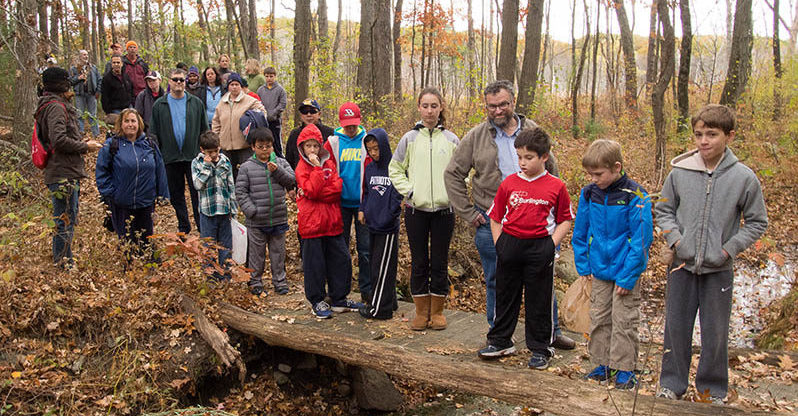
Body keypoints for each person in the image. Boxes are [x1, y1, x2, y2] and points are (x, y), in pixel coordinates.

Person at [444, 80, 575, 350]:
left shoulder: (534, 131)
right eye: (492, 106)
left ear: (513, 103)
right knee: (496, 281)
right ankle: (499, 336)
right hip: (493, 222)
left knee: (542, 282)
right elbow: (453, 174)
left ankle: (550, 333)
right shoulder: (476, 137)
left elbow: (554, 174)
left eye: (503, 104)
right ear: (486, 107)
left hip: (539, 225)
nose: (498, 110)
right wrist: (469, 213)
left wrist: (554, 229)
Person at [655, 104, 767, 404]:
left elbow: (757, 222)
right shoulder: (680, 172)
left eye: (712, 134)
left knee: (715, 333)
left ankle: (711, 389)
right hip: (681, 266)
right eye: (699, 134)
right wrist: (676, 241)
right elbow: (663, 210)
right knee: (676, 328)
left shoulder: (743, 177)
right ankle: (671, 385)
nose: (704, 141)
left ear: (729, 136)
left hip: (719, 269)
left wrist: (729, 248)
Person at [477, 127, 573, 370]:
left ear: (544, 157)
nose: (522, 162)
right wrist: (500, 243)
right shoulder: (509, 184)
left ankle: (541, 348)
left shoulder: (556, 186)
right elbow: (496, 216)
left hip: (540, 246)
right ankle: (500, 340)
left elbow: (564, 219)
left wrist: (551, 244)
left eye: (528, 157)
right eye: (519, 156)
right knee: (505, 294)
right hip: (510, 243)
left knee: (539, 298)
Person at [572, 139, 653, 390]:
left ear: (616, 167)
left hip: (624, 271)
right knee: (599, 318)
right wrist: (583, 264)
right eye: (590, 174)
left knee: (624, 320)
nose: (594, 178)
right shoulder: (589, 193)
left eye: (599, 174)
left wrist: (629, 276)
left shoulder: (636, 196)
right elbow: (581, 230)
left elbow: (641, 240)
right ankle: (602, 363)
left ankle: (625, 368)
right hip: (599, 269)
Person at [389, 88, 460, 330]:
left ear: (441, 108)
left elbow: (463, 171)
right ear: (419, 108)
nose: (430, 111)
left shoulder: (451, 140)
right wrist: (409, 191)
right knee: (419, 261)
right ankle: (421, 311)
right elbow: (395, 168)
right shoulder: (409, 138)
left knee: (439, 261)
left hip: (444, 211)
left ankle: (438, 311)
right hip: (415, 210)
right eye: (425, 105)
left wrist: (453, 192)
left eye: (434, 106)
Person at [36, 67, 103, 268]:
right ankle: (64, 264)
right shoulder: (56, 106)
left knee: (66, 218)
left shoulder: (52, 104)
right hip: (62, 173)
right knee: (65, 220)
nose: (70, 85)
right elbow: (58, 140)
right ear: (60, 85)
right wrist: (85, 147)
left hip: (63, 171)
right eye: (67, 81)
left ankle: (65, 260)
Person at [296, 124, 364, 318]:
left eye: (315, 146)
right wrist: (317, 170)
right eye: (308, 146)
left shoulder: (329, 163)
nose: (312, 150)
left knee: (340, 260)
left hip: (332, 222)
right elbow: (310, 190)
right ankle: (317, 301)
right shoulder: (302, 167)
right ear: (302, 147)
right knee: (315, 264)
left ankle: (339, 299)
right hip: (312, 224)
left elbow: (337, 188)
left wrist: (318, 191)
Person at [95, 108, 169, 259]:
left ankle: (148, 270)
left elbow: (160, 170)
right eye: (126, 121)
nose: (130, 124)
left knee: (146, 239)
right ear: (120, 124)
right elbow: (101, 171)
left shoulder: (149, 144)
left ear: (139, 123)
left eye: (133, 121)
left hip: (146, 202)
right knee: (127, 241)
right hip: (122, 203)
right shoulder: (112, 145)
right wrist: (110, 194)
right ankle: (129, 272)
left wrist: (163, 195)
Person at [235, 128, 296, 296]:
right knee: (256, 254)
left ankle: (280, 281)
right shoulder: (247, 167)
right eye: (260, 146)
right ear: (253, 147)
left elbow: (292, 180)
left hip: (278, 217)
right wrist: (250, 210)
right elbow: (240, 191)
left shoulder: (281, 163)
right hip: (256, 221)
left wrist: (277, 171)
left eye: (268, 146)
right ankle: (255, 282)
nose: (265, 150)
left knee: (278, 253)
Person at [150, 68, 209, 234]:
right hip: (170, 157)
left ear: (185, 82)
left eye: (181, 80)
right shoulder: (159, 105)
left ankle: (202, 226)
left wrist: (206, 153)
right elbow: (153, 132)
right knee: (176, 195)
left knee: (197, 192)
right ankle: (184, 226)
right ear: (168, 81)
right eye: (175, 79)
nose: (178, 83)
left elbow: (204, 130)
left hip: (193, 157)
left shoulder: (196, 103)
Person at [324, 102, 372, 302]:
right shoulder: (333, 142)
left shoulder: (367, 141)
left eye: (353, 124)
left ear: (359, 122)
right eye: (347, 125)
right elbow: (325, 169)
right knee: (340, 248)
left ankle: (368, 291)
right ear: (341, 123)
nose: (350, 128)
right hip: (340, 203)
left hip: (362, 203)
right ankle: (339, 292)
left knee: (366, 249)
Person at [358, 128, 402, 320]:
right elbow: (366, 192)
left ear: (383, 146)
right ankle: (389, 302)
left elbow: (398, 193)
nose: (373, 153)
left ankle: (379, 310)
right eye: (370, 149)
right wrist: (363, 209)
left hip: (387, 226)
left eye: (376, 148)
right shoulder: (369, 168)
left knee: (381, 268)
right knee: (377, 266)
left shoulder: (394, 167)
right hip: (372, 224)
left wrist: (389, 215)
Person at [191, 131, 238, 281]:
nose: (213, 155)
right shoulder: (197, 163)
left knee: (225, 246)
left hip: (224, 210)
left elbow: (231, 186)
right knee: (208, 245)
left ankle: (226, 276)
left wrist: (233, 209)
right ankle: (211, 276)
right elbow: (198, 185)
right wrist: (207, 166)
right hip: (207, 212)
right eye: (209, 152)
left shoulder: (225, 161)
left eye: (216, 151)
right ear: (202, 150)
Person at [211, 72, 266, 180]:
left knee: (248, 175)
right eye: (232, 85)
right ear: (228, 86)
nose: (234, 87)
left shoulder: (249, 100)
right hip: (226, 146)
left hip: (244, 146)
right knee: (227, 176)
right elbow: (216, 122)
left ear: (241, 86)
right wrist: (216, 139)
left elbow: (262, 113)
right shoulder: (222, 102)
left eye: (237, 84)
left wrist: (252, 121)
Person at [286, 99, 334, 171]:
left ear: (319, 114)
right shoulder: (294, 134)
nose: (309, 114)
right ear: (301, 115)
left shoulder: (329, 133)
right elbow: (289, 160)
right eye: (304, 112)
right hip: (300, 178)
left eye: (312, 111)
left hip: (325, 175)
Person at [68, 49, 101, 137]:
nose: (86, 56)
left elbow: (99, 80)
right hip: (79, 95)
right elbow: (69, 81)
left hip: (91, 94)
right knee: (79, 115)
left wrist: (98, 91)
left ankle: (96, 134)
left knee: (93, 115)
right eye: (83, 55)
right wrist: (78, 78)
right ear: (79, 57)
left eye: (86, 55)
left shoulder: (93, 67)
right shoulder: (74, 69)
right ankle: (80, 134)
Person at [256, 66, 287, 148]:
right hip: (263, 120)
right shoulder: (260, 90)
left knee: (276, 142)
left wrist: (274, 112)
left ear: (275, 76)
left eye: (271, 76)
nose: (269, 78)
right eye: (267, 76)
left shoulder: (280, 90)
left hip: (275, 120)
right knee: (264, 141)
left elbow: (283, 103)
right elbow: (257, 103)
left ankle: (279, 158)